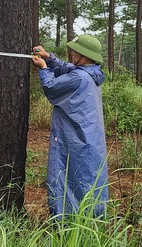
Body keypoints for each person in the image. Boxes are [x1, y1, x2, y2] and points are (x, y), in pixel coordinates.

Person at [31, 34, 108, 218]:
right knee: (86, 178)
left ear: (86, 55)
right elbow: (68, 68)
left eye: (76, 51)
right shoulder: (90, 73)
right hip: (89, 139)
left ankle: (67, 221)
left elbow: (52, 87)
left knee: (68, 176)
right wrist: (49, 59)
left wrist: (43, 68)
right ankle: (89, 217)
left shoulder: (79, 78)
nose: (72, 53)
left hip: (76, 139)